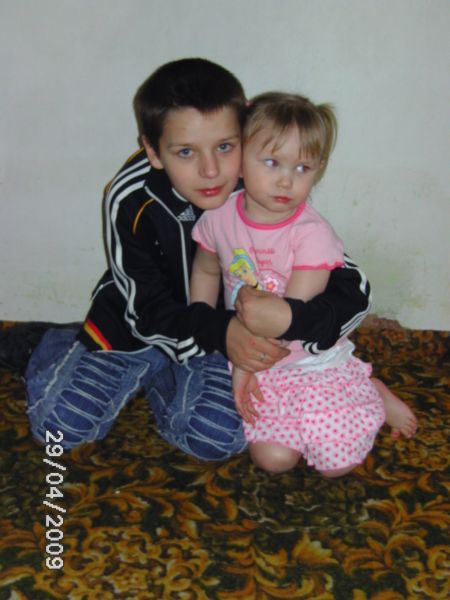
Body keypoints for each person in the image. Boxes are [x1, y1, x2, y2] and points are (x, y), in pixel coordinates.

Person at [0, 59, 374, 460]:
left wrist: (291, 319)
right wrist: (222, 330)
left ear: (245, 135)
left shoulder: (264, 183)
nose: (210, 171)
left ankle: (163, 379)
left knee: (218, 439)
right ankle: (48, 344)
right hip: (138, 329)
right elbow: (145, 306)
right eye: (184, 152)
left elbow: (351, 288)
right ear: (153, 151)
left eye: (225, 147)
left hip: (222, 337)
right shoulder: (130, 196)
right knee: (61, 429)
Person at [190, 91, 417, 475]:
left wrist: (244, 367)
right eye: (272, 162)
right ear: (240, 160)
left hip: (310, 360)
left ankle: (371, 392)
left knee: (336, 466)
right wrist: (202, 321)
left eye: (302, 168)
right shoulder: (218, 218)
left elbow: (289, 321)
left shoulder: (313, 234)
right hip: (256, 356)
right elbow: (206, 270)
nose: (286, 180)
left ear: (319, 169)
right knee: (274, 461)